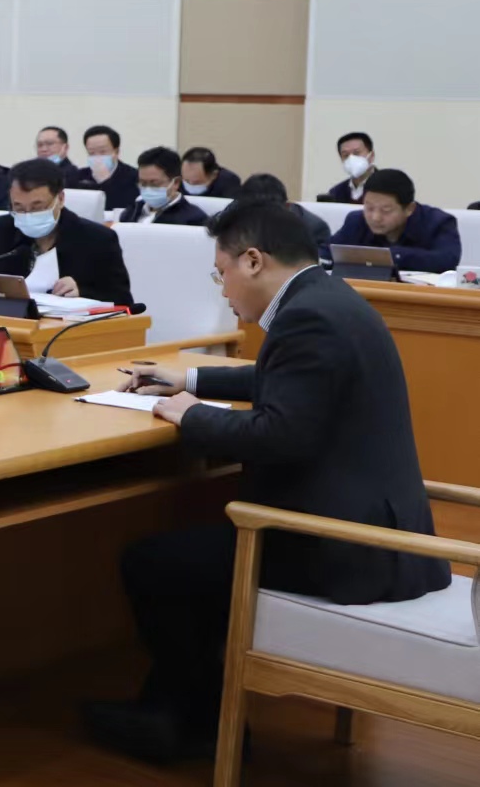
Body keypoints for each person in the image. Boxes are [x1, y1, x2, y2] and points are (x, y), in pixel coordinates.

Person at [87, 201, 450, 763]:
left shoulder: (308, 317)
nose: (224, 289)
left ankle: (194, 720)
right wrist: (189, 378)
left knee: (153, 563)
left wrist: (192, 415)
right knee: (190, 555)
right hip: (377, 528)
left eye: (222, 273)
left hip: (341, 545)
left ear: (253, 261)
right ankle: (181, 713)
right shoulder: (329, 297)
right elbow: (289, 380)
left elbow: (282, 435)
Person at [0, 160, 132, 303]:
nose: (28, 214)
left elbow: (123, 300)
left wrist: (82, 292)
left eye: (37, 207)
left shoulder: (97, 239)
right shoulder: (1, 229)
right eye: (19, 208)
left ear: (60, 199)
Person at [333, 168, 461, 272]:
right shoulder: (356, 220)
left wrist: (392, 256)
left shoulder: (438, 222)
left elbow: (447, 260)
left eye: (386, 210)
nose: (375, 217)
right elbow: (328, 252)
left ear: (409, 209)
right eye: (369, 208)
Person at [240, 173, 331, 255]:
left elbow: (318, 263)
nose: (262, 221)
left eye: (269, 214)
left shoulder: (314, 228)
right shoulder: (237, 218)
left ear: (286, 206)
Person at [120, 147, 208, 226]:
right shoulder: (131, 212)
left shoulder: (194, 219)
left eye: (154, 183)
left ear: (176, 183)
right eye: (143, 183)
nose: (148, 188)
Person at [74, 124, 138, 211]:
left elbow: (125, 207)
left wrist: (106, 182)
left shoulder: (133, 176)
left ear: (116, 152)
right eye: (91, 153)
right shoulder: (80, 176)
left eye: (103, 152)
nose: (97, 157)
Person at [323, 131, 377, 204]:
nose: (351, 158)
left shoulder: (387, 187)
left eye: (356, 153)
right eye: (346, 155)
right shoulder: (335, 192)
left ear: (371, 156)